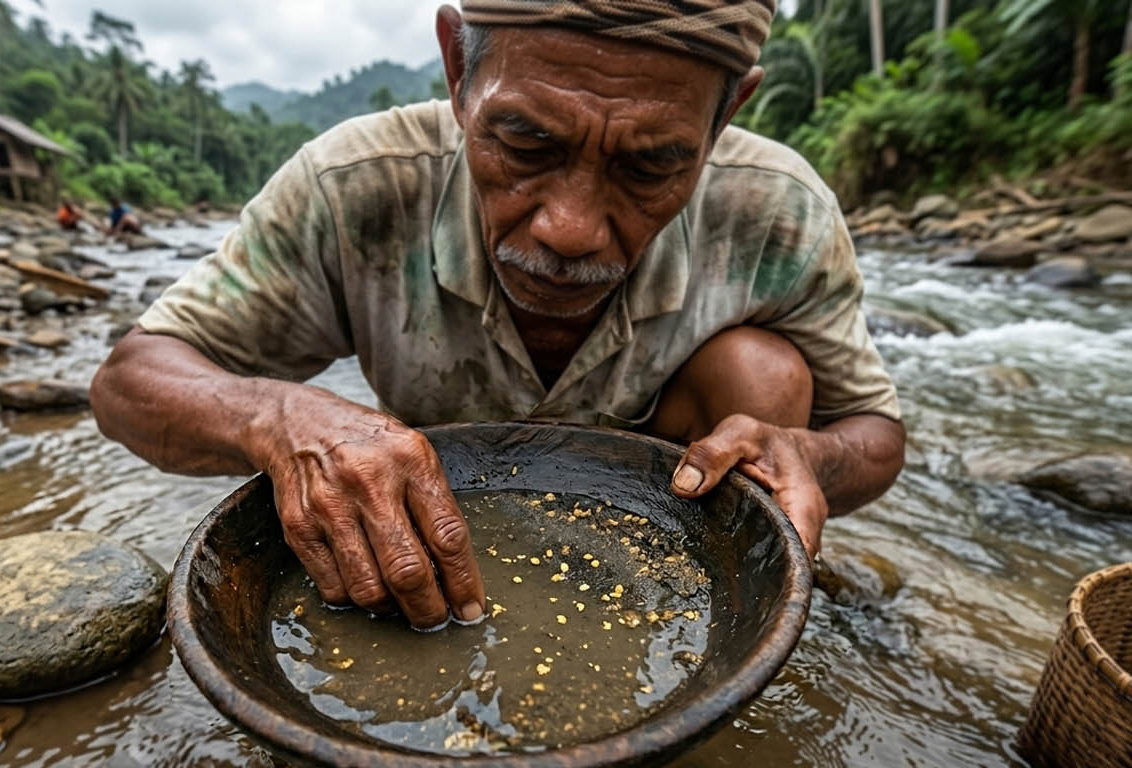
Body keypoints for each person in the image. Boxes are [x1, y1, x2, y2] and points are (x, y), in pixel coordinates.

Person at [92, 0, 907, 630]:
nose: (570, 229)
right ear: (457, 68)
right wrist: (280, 415)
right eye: (524, 143)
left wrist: (802, 455)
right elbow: (131, 380)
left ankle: (709, 614)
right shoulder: (356, 187)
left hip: (666, 522)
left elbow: (873, 434)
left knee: (764, 375)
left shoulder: (780, 214)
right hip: (437, 515)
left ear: (726, 115)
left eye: (651, 164)